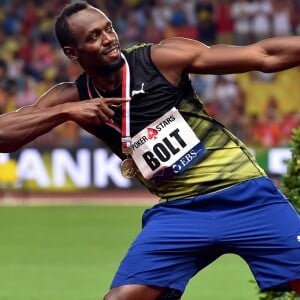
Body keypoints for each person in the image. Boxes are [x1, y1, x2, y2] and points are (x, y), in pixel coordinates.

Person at [0, 1, 300, 299]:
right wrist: (66, 112)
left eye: (108, 29)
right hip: (180, 212)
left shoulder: (161, 59)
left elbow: (263, 55)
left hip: (243, 194)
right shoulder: (72, 97)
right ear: (71, 52)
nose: (108, 39)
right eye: (94, 36)